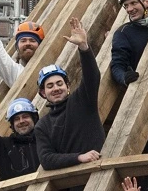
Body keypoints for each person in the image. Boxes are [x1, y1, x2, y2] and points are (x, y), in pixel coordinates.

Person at [35, 20, 105, 171]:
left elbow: (92, 77)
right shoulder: (43, 125)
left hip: (97, 174)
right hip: (68, 186)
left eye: (59, 83)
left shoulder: (82, 101)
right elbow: (46, 159)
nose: (56, 88)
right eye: (50, 86)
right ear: (43, 93)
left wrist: (83, 48)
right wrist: (79, 157)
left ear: (67, 86)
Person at [111, 0, 148, 86]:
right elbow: (117, 66)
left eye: (133, 3)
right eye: (126, 5)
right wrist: (124, 77)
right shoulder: (123, 34)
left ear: (146, 1)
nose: (129, 9)